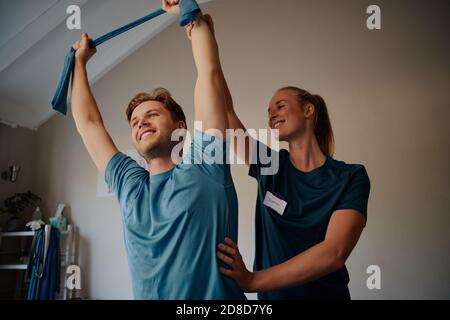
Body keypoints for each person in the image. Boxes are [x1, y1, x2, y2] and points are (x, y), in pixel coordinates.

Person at [69, 0, 245, 300]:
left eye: (152, 115)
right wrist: (80, 64)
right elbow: (88, 123)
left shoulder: (205, 165)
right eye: (135, 121)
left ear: (180, 127)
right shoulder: (130, 185)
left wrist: (193, 21)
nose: (141, 123)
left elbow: (209, 76)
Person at [216, 85, 371, 299]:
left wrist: (253, 280)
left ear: (308, 110)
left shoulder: (351, 177)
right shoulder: (269, 165)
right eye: (269, 112)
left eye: (280, 106)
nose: (272, 116)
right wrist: (210, 63)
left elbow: (334, 252)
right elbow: (227, 111)